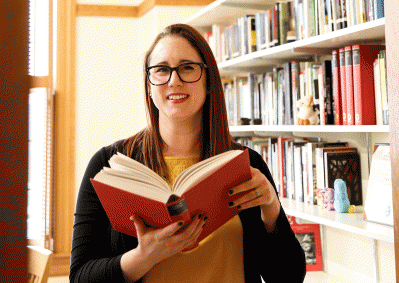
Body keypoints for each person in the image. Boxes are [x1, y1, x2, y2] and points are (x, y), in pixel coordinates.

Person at [69, 23, 306, 283]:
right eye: (161, 70)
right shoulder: (109, 165)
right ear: (149, 85)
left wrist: (271, 208)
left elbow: (289, 277)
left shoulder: (245, 164)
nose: (174, 80)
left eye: (187, 68)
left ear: (208, 80)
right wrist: (144, 256)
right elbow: (80, 277)